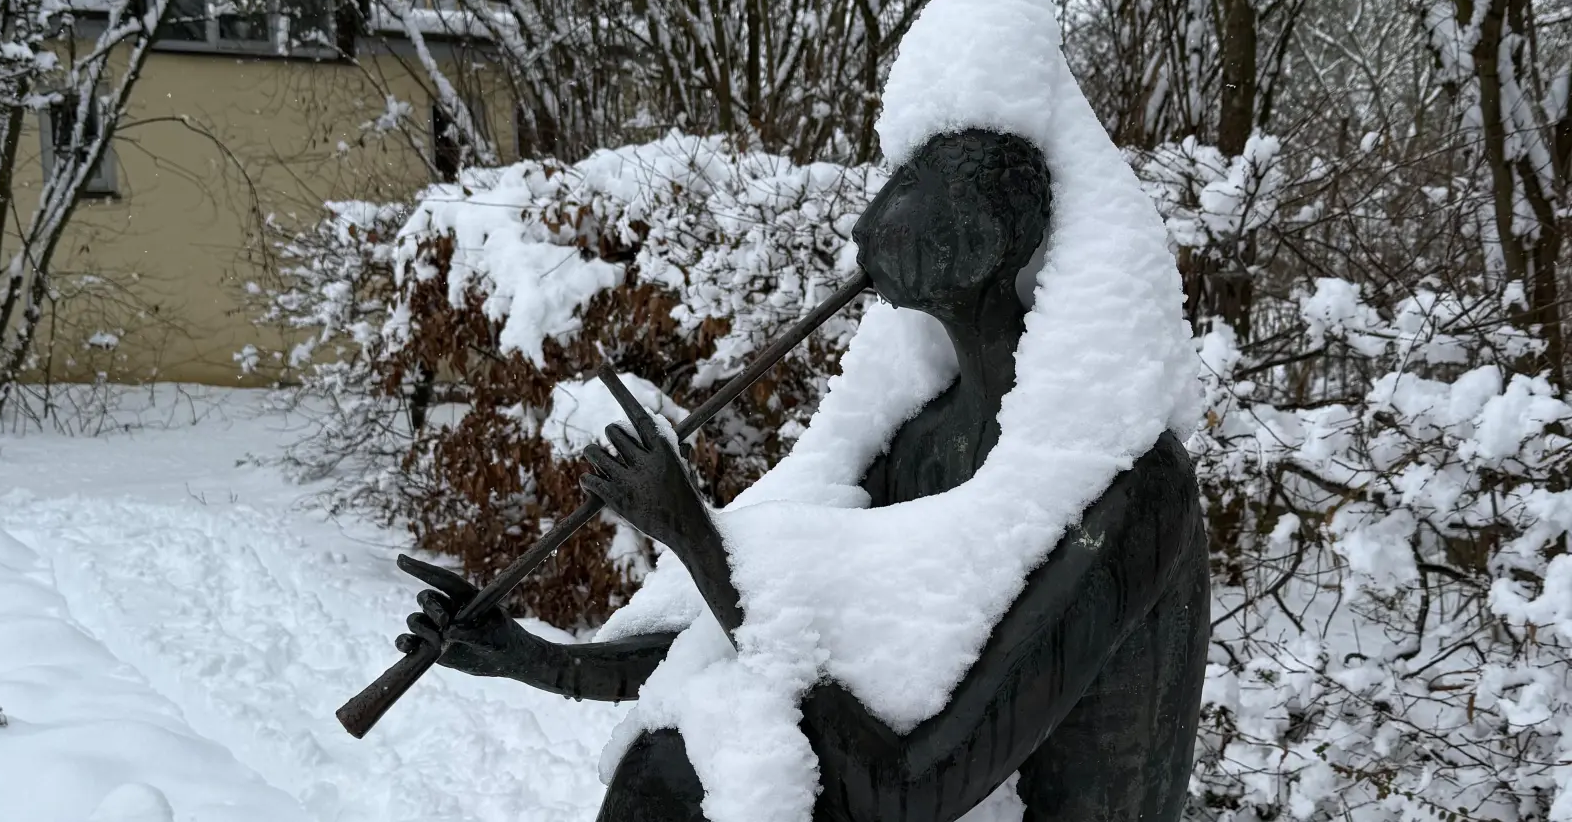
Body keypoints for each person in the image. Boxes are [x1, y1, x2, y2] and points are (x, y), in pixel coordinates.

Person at [397, 128, 1210, 822]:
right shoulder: (927, 443)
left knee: (694, 778)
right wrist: (525, 657)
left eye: (907, 186)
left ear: (976, 246)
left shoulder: (1129, 484)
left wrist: (693, 536)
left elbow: (913, 787)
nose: (869, 218)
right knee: (674, 762)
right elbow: (752, 643)